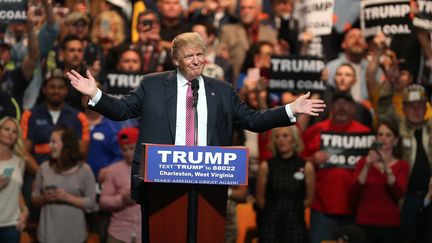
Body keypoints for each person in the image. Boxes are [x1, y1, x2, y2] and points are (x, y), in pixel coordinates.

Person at [67, 31, 325, 241]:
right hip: (162, 183)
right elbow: (122, 110)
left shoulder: (222, 91)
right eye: (188, 56)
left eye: (200, 54)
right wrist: (96, 94)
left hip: (208, 184)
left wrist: (290, 109)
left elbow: (252, 120)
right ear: (175, 60)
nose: (196, 60)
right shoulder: (153, 85)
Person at [301, 92, 371, 243]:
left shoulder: (365, 134)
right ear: (331, 107)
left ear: (353, 108)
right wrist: (312, 159)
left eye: (346, 103)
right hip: (321, 208)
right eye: (337, 103)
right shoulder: (316, 130)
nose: (341, 106)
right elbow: (298, 162)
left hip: (354, 208)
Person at [31, 126, 96, 243]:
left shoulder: (84, 170)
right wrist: (44, 198)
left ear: (67, 145)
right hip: (47, 235)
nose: (49, 146)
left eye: (53, 142)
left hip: (74, 236)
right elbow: (34, 197)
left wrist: (67, 197)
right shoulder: (44, 168)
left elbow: (91, 203)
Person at [352, 120, 409, 243]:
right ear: (376, 138)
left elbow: (399, 192)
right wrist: (367, 165)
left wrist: (386, 166)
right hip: (364, 222)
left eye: (388, 135)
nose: (383, 138)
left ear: (395, 141)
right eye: (380, 134)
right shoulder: (363, 162)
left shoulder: (402, 165)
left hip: (389, 224)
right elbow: (355, 192)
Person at [256, 125, 315, 243]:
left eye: (285, 136)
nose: (281, 140)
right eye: (277, 137)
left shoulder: (306, 166)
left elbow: (309, 199)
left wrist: (293, 211)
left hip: (296, 224)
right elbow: (260, 199)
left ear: (294, 139)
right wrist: (273, 212)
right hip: (270, 224)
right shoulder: (266, 166)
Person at [99, 127, 141, 243]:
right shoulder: (113, 170)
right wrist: (122, 199)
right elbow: (103, 202)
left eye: (131, 148)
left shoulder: (149, 169)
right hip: (118, 233)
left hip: (143, 231)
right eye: (124, 149)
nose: (128, 153)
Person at [0, 117, 28, 243]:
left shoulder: (19, 161)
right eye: (6, 129)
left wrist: (24, 210)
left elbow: (17, 191)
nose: (10, 133)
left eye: (14, 131)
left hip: (11, 225)